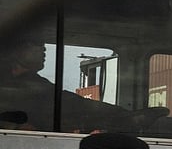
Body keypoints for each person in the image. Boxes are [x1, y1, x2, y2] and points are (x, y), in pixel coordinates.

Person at [0, 38, 156, 133]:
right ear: (15, 50)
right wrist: (14, 128)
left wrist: (123, 115)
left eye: (43, 45)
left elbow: (72, 103)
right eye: (34, 44)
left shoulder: (37, 84)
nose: (43, 49)